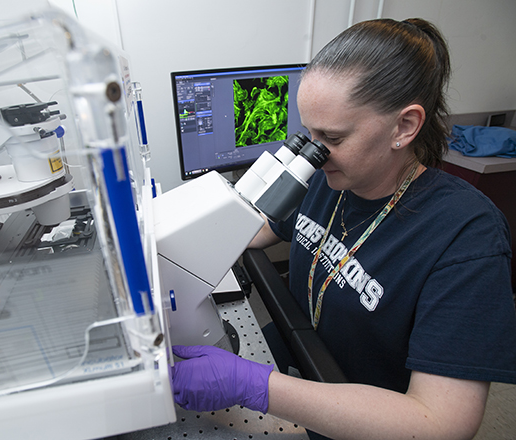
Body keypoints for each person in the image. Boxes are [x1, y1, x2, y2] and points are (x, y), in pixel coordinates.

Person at [171, 18, 516, 440]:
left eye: (330, 137)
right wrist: (170, 243)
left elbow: (441, 424)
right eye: (307, 133)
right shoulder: (326, 177)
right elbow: (255, 228)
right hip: (295, 353)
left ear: (404, 127)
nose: (314, 152)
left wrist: (253, 385)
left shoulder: (466, 233)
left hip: (367, 417)